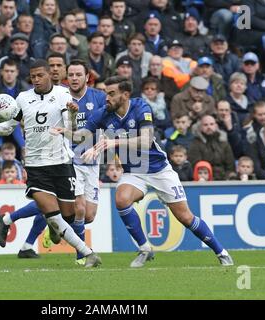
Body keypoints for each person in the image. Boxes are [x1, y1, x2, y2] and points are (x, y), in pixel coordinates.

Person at [68, 75, 233, 267]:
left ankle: (221, 251)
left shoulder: (140, 107)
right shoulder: (103, 113)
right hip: (134, 171)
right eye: (105, 93)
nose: (107, 98)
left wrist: (114, 142)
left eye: (111, 93)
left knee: (185, 217)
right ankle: (145, 248)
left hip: (158, 169)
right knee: (121, 199)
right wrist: (72, 117)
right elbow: (80, 137)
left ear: (125, 94)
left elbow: (146, 140)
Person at [0, 59, 102, 268]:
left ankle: (30, 223)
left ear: (49, 75)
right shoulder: (23, 98)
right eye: (32, 76)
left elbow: (70, 128)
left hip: (62, 163)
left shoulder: (63, 95)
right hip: (36, 166)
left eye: (40, 75)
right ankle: (87, 253)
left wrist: (72, 114)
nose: (35, 80)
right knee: (53, 215)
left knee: (69, 216)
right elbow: (8, 127)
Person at [188, 114, 236, 180]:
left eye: (211, 124)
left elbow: (230, 166)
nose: (209, 127)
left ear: (216, 126)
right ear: (201, 127)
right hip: (204, 181)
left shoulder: (224, 142)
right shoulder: (195, 143)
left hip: (224, 180)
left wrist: (227, 178)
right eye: (205, 125)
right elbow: (195, 166)